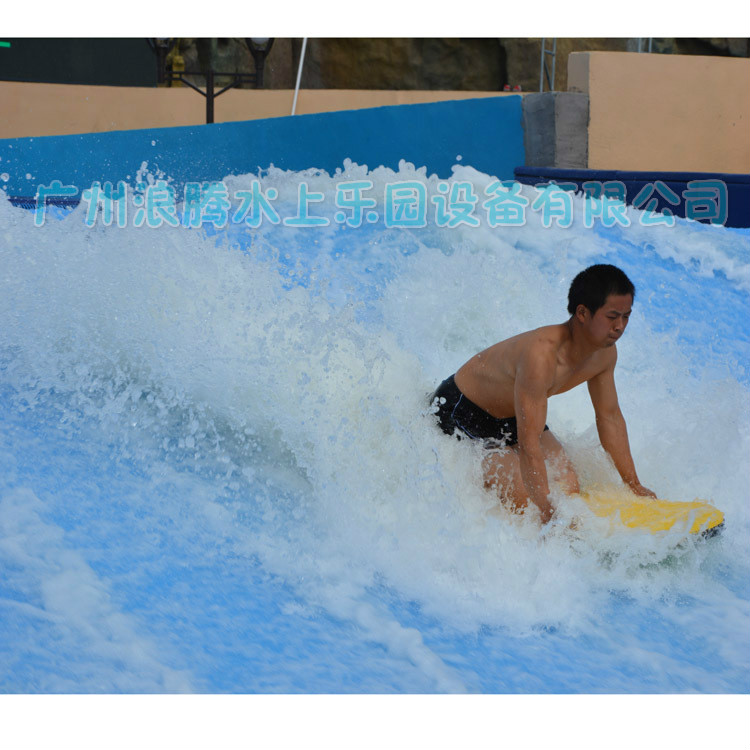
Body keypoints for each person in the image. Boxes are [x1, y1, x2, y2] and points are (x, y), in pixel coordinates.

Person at [429, 264, 656, 525]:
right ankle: (483, 472)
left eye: (626, 317)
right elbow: (529, 443)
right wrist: (546, 510)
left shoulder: (604, 354)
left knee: (569, 487)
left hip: (513, 413)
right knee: (528, 506)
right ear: (582, 313)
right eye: (612, 316)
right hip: (462, 410)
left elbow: (610, 418)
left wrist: (634, 485)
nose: (619, 327)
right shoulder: (541, 356)